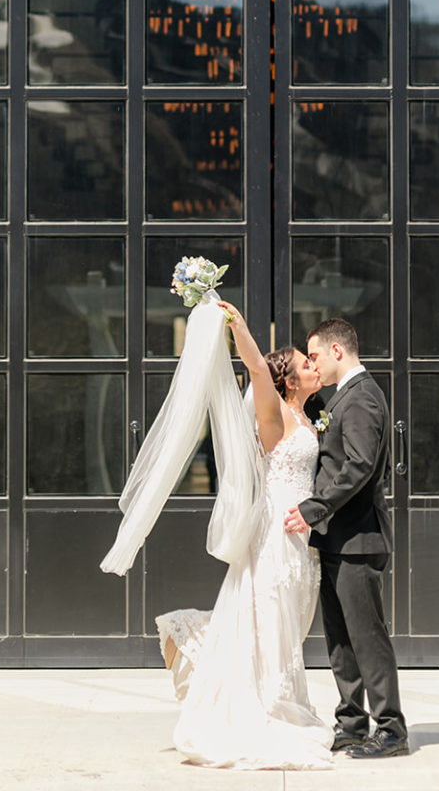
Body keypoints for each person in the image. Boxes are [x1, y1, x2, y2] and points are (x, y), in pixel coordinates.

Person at [102, 293, 333, 771]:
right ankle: (257, 701)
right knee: (267, 619)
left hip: (300, 538)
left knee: (287, 624)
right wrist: (239, 327)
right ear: (289, 380)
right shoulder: (273, 412)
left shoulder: (307, 414)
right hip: (274, 534)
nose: (314, 366)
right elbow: (257, 368)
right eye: (305, 363)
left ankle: (271, 690)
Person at [285, 317, 409, 759]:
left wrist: (314, 508)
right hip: (336, 540)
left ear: (337, 351)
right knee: (340, 641)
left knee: (367, 637)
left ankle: (391, 729)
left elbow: (359, 465)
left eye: (315, 355)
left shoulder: (362, 398)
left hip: (359, 539)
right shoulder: (343, 396)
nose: (313, 364)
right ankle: (352, 724)